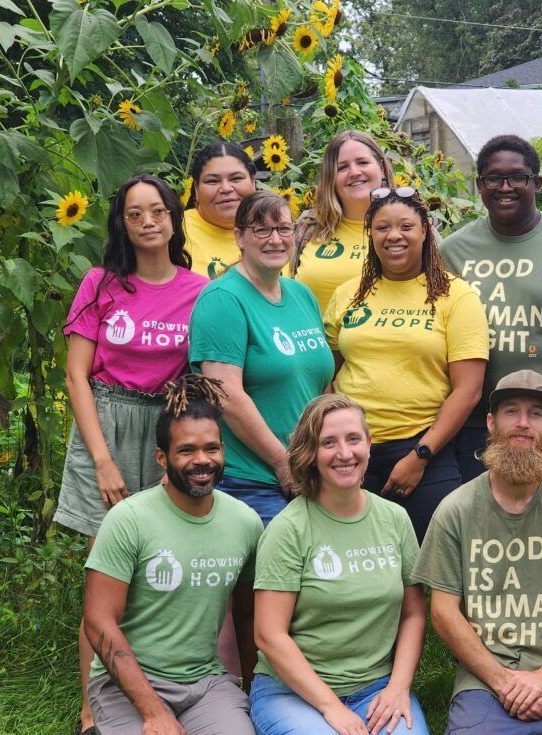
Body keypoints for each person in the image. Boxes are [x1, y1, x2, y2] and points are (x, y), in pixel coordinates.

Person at [54, 174, 209, 735]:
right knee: (107, 569)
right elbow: (76, 377)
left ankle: (168, 685)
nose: (147, 222)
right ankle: (92, 705)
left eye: (157, 211)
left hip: (167, 432)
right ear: (121, 223)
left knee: (165, 560)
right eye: (134, 213)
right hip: (108, 424)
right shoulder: (100, 284)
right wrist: (101, 459)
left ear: (173, 218)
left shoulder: (199, 289)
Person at [413, 369, 542, 735]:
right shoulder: (456, 509)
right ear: (492, 423)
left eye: (536, 413)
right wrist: (504, 682)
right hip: (483, 684)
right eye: (511, 411)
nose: (523, 423)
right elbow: (443, 612)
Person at [84, 374, 262, 735]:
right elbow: (98, 622)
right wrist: (154, 713)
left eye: (212, 448)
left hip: (206, 683)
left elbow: (246, 616)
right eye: (186, 451)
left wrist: (255, 691)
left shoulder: (245, 522)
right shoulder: (128, 520)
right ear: (162, 457)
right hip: (126, 685)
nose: (202, 460)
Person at [250, 394, 429, 735]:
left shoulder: (394, 519)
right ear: (311, 453)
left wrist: (398, 688)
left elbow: (414, 613)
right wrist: (331, 708)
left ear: (369, 444)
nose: (345, 454)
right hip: (292, 692)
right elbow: (269, 634)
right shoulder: (289, 529)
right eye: (328, 443)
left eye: (353, 439)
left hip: (377, 688)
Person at [323, 186, 489, 541]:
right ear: (370, 234)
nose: (393, 236)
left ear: (425, 230)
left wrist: (420, 456)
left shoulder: (455, 295)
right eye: (382, 227)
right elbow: (329, 374)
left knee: (434, 567)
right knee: (356, 561)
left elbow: (469, 390)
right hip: (350, 453)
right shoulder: (348, 294)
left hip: (423, 448)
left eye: (405, 227)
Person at [438, 134, 542, 482]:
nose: (505, 187)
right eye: (493, 178)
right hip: (475, 424)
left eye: (518, 177)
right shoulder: (453, 251)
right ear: (479, 185)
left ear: (537, 183)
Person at [190, 191, 333, 526]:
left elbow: (321, 383)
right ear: (239, 237)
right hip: (253, 481)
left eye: (283, 229)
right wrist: (284, 463)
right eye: (261, 230)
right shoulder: (222, 299)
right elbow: (226, 396)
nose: (275, 240)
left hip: (310, 474)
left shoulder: (301, 294)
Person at [290, 129, 396, 314]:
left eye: (362, 162)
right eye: (342, 167)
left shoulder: (413, 228)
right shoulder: (308, 228)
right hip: (313, 341)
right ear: (331, 177)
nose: (354, 172)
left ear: (382, 168)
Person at [184, 141, 258, 279]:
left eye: (236, 178)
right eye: (212, 181)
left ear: (253, 182)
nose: (225, 188)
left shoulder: (278, 230)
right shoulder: (173, 232)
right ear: (196, 188)